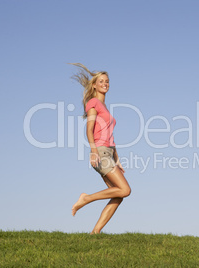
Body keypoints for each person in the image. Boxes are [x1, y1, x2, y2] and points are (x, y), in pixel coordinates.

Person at [69, 63, 131, 234]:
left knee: (118, 195)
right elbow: (89, 130)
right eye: (101, 81)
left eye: (107, 81)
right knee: (125, 190)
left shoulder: (104, 107)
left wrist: (117, 160)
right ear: (94, 85)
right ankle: (86, 198)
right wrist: (93, 150)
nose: (105, 84)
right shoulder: (93, 103)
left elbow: (111, 138)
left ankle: (95, 233)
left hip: (109, 153)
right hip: (101, 152)